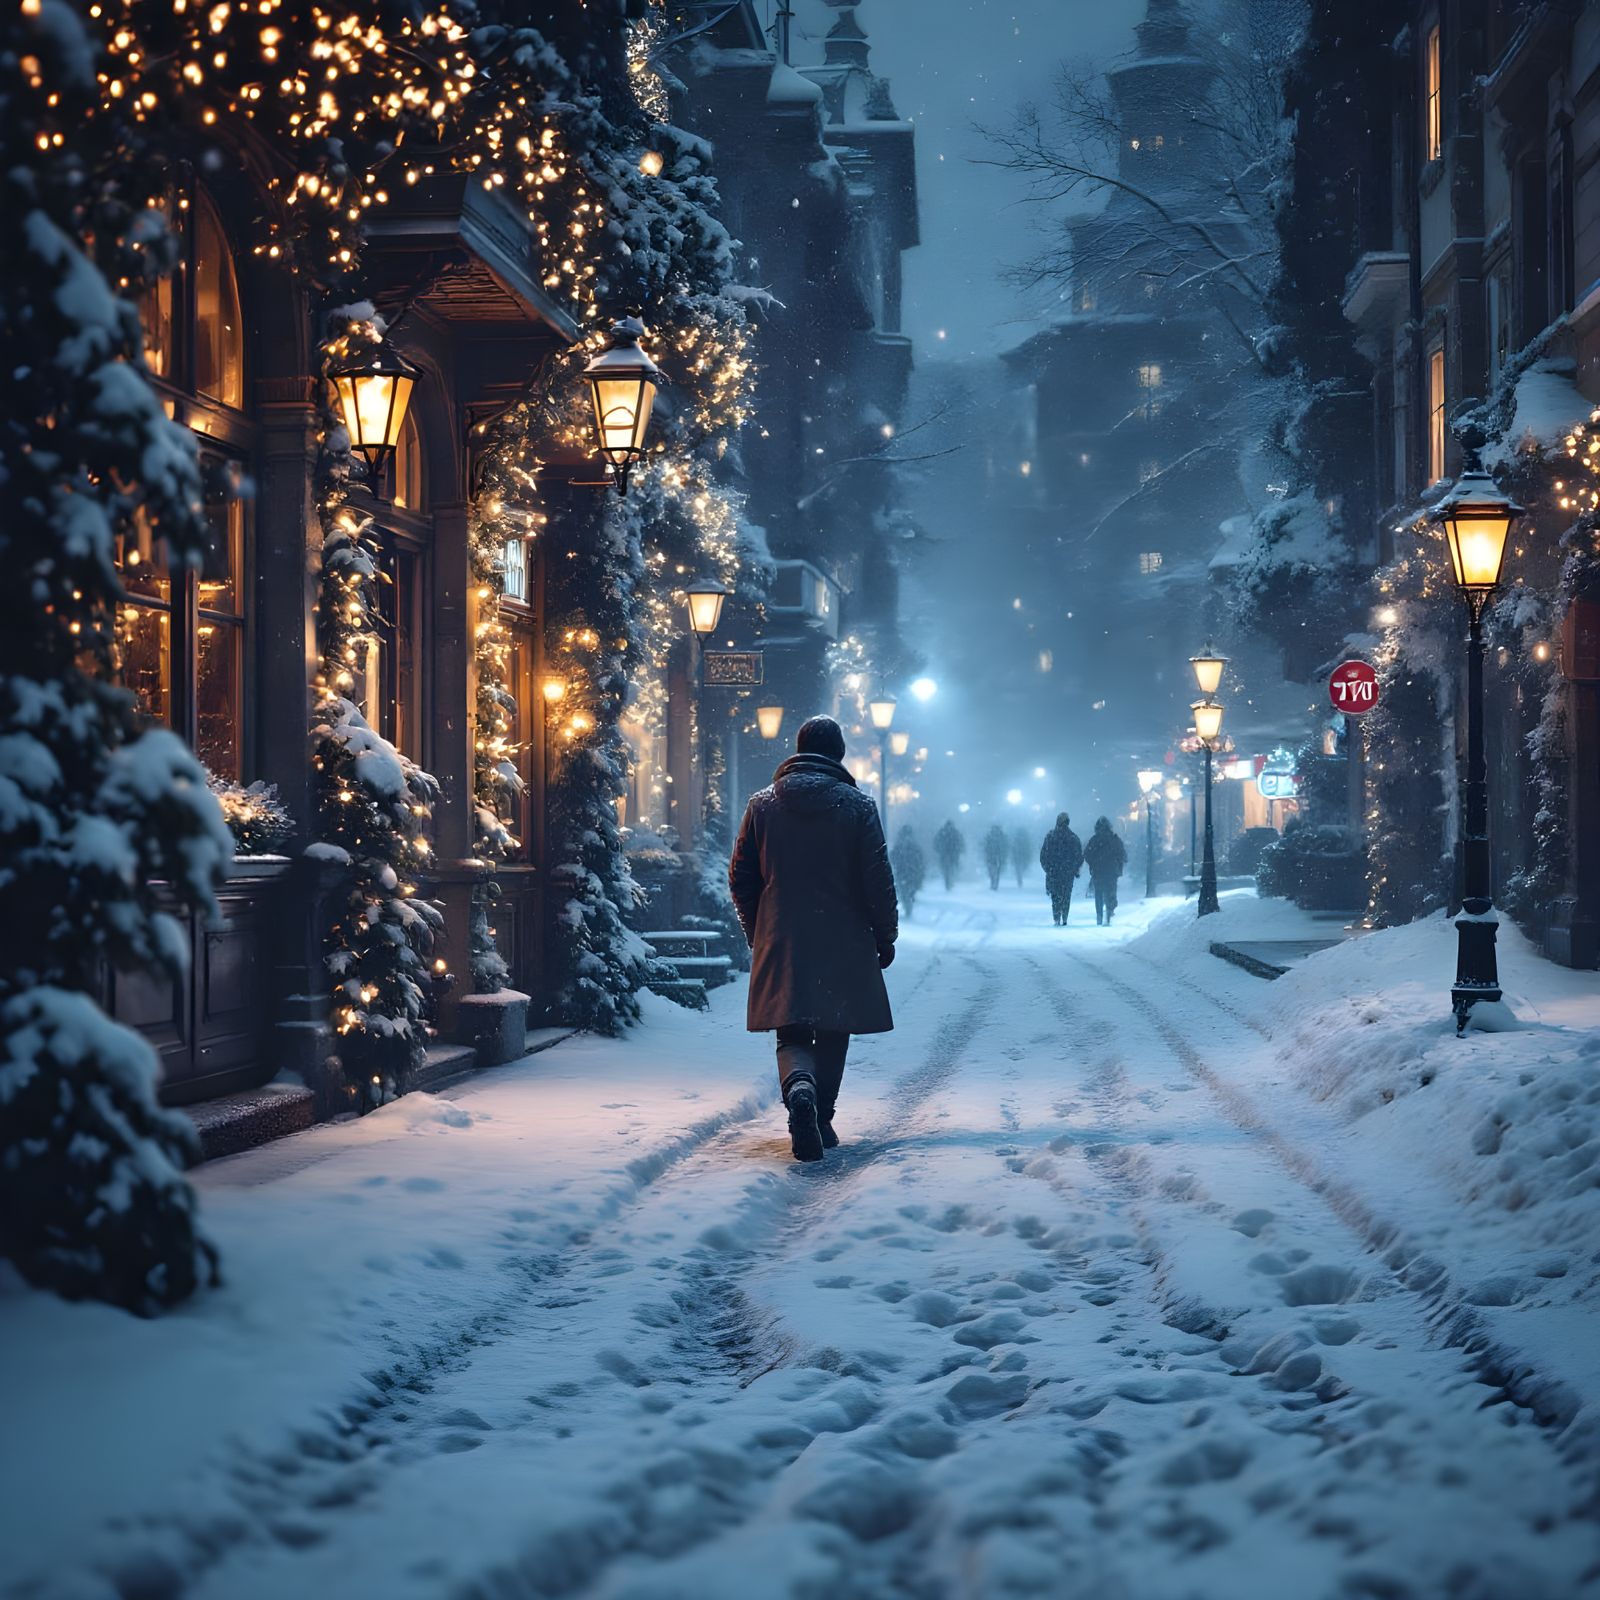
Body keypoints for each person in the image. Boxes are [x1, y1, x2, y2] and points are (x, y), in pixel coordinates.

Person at [729, 715, 897, 1163]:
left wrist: (757, 930)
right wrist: (885, 935)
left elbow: (741, 877)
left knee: (792, 1029)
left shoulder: (762, 806)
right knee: (834, 1026)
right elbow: (877, 879)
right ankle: (821, 1116)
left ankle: (798, 1087)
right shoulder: (857, 807)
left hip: (782, 935)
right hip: (843, 937)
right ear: (838, 755)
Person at [1038, 811, 1083, 927]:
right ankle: (1064, 918)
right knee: (1066, 895)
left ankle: (1056, 917)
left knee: (1055, 896)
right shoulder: (1073, 838)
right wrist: (1074, 869)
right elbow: (1079, 856)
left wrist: (1048, 869)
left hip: (1054, 873)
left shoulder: (1050, 836)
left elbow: (1043, 856)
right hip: (1067, 873)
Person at [1083, 815, 1128, 926]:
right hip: (1112, 872)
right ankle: (1109, 911)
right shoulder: (1115, 840)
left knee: (1098, 893)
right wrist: (1118, 865)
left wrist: (1093, 863)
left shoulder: (1094, 840)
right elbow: (1122, 855)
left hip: (1098, 871)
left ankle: (1099, 915)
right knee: (1110, 892)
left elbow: (1087, 854)